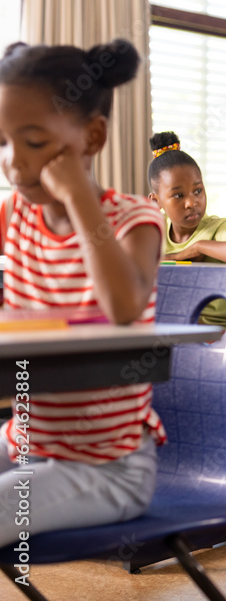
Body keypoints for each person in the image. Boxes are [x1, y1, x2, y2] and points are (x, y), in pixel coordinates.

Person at [0, 40, 167, 546]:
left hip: (111, 468)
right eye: (3, 143)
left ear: (92, 137)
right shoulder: (12, 218)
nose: (13, 162)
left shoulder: (133, 220)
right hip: (24, 445)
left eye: (32, 142)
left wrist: (77, 197)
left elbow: (123, 307)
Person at [147, 131, 226, 327]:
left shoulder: (219, 228)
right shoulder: (153, 230)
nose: (191, 203)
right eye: (178, 196)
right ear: (156, 201)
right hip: (168, 327)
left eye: (197, 191)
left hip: (215, 331)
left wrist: (198, 247)